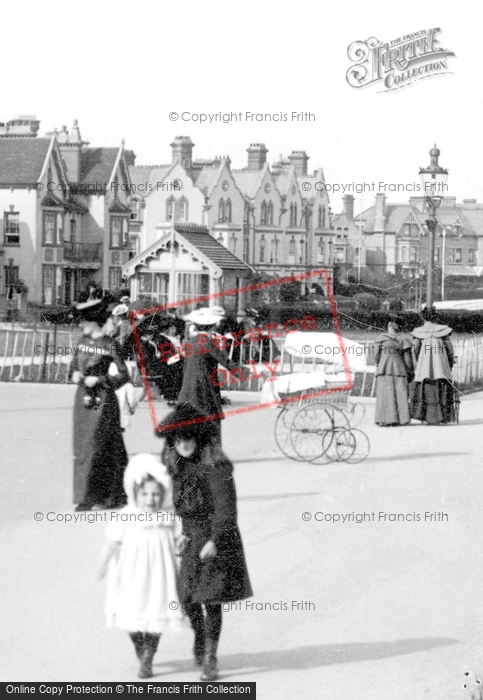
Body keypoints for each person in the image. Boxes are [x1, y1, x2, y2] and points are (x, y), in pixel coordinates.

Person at [157, 405, 253, 681]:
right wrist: (179, 534)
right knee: (186, 598)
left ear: (199, 437)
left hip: (217, 538)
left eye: (188, 437)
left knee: (210, 600)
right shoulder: (179, 466)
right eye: (177, 439)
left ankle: (211, 658)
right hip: (191, 538)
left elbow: (226, 510)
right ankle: (200, 634)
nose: (183, 443)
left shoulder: (216, 466)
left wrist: (214, 541)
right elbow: (180, 508)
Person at [99, 454, 185, 679]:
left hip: (160, 576)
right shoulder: (127, 515)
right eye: (145, 494)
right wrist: (103, 564)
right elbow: (113, 540)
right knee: (131, 612)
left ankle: (149, 655)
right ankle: (141, 647)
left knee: (156, 613)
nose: (150, 499)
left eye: (156, 494)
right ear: (135, 493)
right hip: (131, 574)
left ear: (163, 493)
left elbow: (181, 541)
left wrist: (185, 548)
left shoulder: (168, 516)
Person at [69, 292, 130, 511]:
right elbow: (73, 366)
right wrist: (75, 374)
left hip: (101, 399)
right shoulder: (82, 342)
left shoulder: (109, 344)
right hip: (82, 400)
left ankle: (97, 496)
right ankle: (92, 494)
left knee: (96, 444)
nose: (80, 326)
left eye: (83, 322)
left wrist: (102, 379)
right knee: (83, 445)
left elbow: (124, 374)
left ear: (94, 322)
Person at [176, 306, 247, 450]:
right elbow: (225, 361)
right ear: (213, 325)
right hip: (204, 384)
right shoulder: (207, 341)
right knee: (211, 416)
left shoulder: (191, 341)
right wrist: (245, 372)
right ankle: (212, 452)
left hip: (189, 384)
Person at [411, 306, 456, 425]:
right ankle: (441, 417)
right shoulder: (443, 331)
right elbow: (450, 350)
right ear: (436, 316)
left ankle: (427, 417)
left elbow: (416, 349)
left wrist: (419, 362)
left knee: (426, 389)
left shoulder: (420, 332)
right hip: (440, 365)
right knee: (441, 388)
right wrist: (449, 363)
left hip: (424, 366)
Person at [374, 317, 413, 427]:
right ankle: (402, 419)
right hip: (399, 369)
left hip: (383, 368)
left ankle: (384, 419)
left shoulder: (381, 338)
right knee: (400, 393)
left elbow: (376, 356)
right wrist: (410, 372)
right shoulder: (404, 340)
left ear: (390, 325)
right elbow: (408, 360)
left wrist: (379, 363)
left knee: (384, 394)